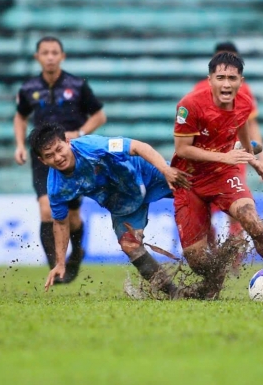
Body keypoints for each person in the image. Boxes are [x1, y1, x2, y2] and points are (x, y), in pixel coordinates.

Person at [172, 52, 263, 300]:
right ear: (209, 79)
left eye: (231, 78)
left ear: (240, 81)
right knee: (197, 259)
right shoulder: (189, 105)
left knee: (250, 218)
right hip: (188, 180)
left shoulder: (244, 103)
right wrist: (225, 156)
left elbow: (240, 125)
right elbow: (182, 149)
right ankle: (214, 279)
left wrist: (252, 158)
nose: (226, 84)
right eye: (220, 77)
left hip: (223, 175)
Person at [34, 123, 193, 299]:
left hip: (146, 172)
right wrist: (60, 263)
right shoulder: (56, 188)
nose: (58, 157)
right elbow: (61, 223)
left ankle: (226, 247)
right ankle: (175, 294)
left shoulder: (92, 146)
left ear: (68, 142)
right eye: (49, 155)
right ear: (42, 161)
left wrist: (165, 170)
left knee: (196, 185)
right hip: (122, 202)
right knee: (130, 246)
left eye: (59, 149)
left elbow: (138, 147)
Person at [14, 37, 107, 284]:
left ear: (62, 56)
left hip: (70, 158)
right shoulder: (28, 88)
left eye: (55, 52)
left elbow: (99, 115)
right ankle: (57, 267)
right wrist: (20, 145)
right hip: (43, 159)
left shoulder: (77, 85)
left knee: (73, 217)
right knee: (47, 210)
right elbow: (20, 117)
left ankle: (76, 254)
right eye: (45, 52)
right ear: (37, 57)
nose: (50, 56)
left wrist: (80, 133)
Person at [192, 42, 263, 269]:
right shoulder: (198, 91)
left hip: (234, 155)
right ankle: (214, 253)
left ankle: (234, 260)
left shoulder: (244, 93)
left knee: (237, 210)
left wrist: (259, 157)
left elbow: (250, 125)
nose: (227, 78)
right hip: (207, 159)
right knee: (204, 210)